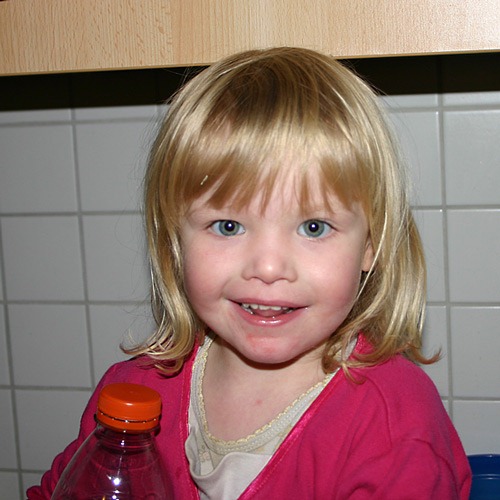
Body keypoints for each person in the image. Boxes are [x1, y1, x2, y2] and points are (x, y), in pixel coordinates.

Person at [27, 47, 471, 499]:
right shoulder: (132, 393)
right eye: (228, 226)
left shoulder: (395, 425)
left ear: (371, 245)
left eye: (313, 227)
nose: (268, 267)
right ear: (176, 242)